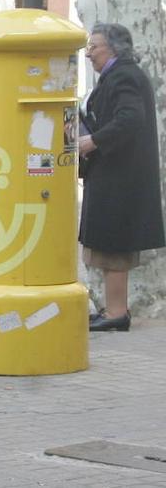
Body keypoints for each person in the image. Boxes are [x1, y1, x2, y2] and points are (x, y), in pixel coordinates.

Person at [78, 23, 164, 332]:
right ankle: (114, 309)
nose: (89, 54)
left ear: (113, 49)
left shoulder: (124, 75)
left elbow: (129, 118)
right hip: (115, 174)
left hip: (120, 177)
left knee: (114, 245)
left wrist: (93, 140)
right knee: (108, 243)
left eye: (94, 47)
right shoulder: (119, 74)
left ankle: (116, 314)